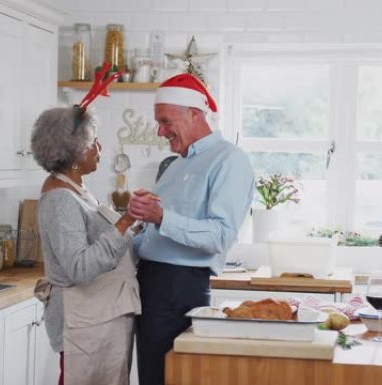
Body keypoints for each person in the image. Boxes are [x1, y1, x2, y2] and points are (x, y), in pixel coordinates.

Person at [128, 74, 255, 385]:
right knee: (152, 377)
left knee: (166, 378)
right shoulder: (177, 163)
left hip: (177, 288)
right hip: (155, 284)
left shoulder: (229, 159)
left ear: (194, 114)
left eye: (165, 121)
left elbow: (219, 236)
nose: (160, 131)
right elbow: (157, 233)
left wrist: (160, 217)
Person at [31, 105, 140, 385]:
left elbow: (104, 245)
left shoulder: (76, 190)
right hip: (83, 321)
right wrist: (124, 222)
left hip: (99, 317)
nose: (99, 146)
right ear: (75, 152)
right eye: (93, 142)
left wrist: (137, 223)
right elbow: (79, 268)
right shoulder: (60, 200)